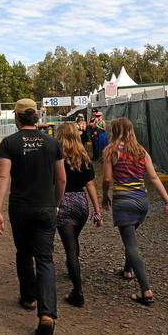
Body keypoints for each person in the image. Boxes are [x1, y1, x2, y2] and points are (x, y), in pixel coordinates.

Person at [0, 98, 66, 335]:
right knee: (45, 258)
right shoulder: (52, 142)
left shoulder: (9, 143)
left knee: (24, 253)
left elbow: (3, 178)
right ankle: (47, 314)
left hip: (20, 208)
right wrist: (55, 204)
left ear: (16, 117)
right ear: (36, 117)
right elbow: (62, 179)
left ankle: (29, 297)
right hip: (45, 207)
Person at [102, 117, 168, 306]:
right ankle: (128, 270)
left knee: (130, 243)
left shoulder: (110, 151)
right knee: (131, 236)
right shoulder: (142, 152)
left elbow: (108, 179)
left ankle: (146, 290)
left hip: (124, 202)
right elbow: (154, 178)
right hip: (142, 202)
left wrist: (104, 195)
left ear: (115, 131)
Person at [55, 123, 103, 307]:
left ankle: (78, 291)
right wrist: (97, 210)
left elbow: (57, 181)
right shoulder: (83, 157)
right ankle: (72, 269)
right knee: (74, 240)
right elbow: (90, 185)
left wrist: (54, 204)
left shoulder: (56, 156)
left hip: (63, 202)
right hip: (81, 203)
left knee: (70, 248)